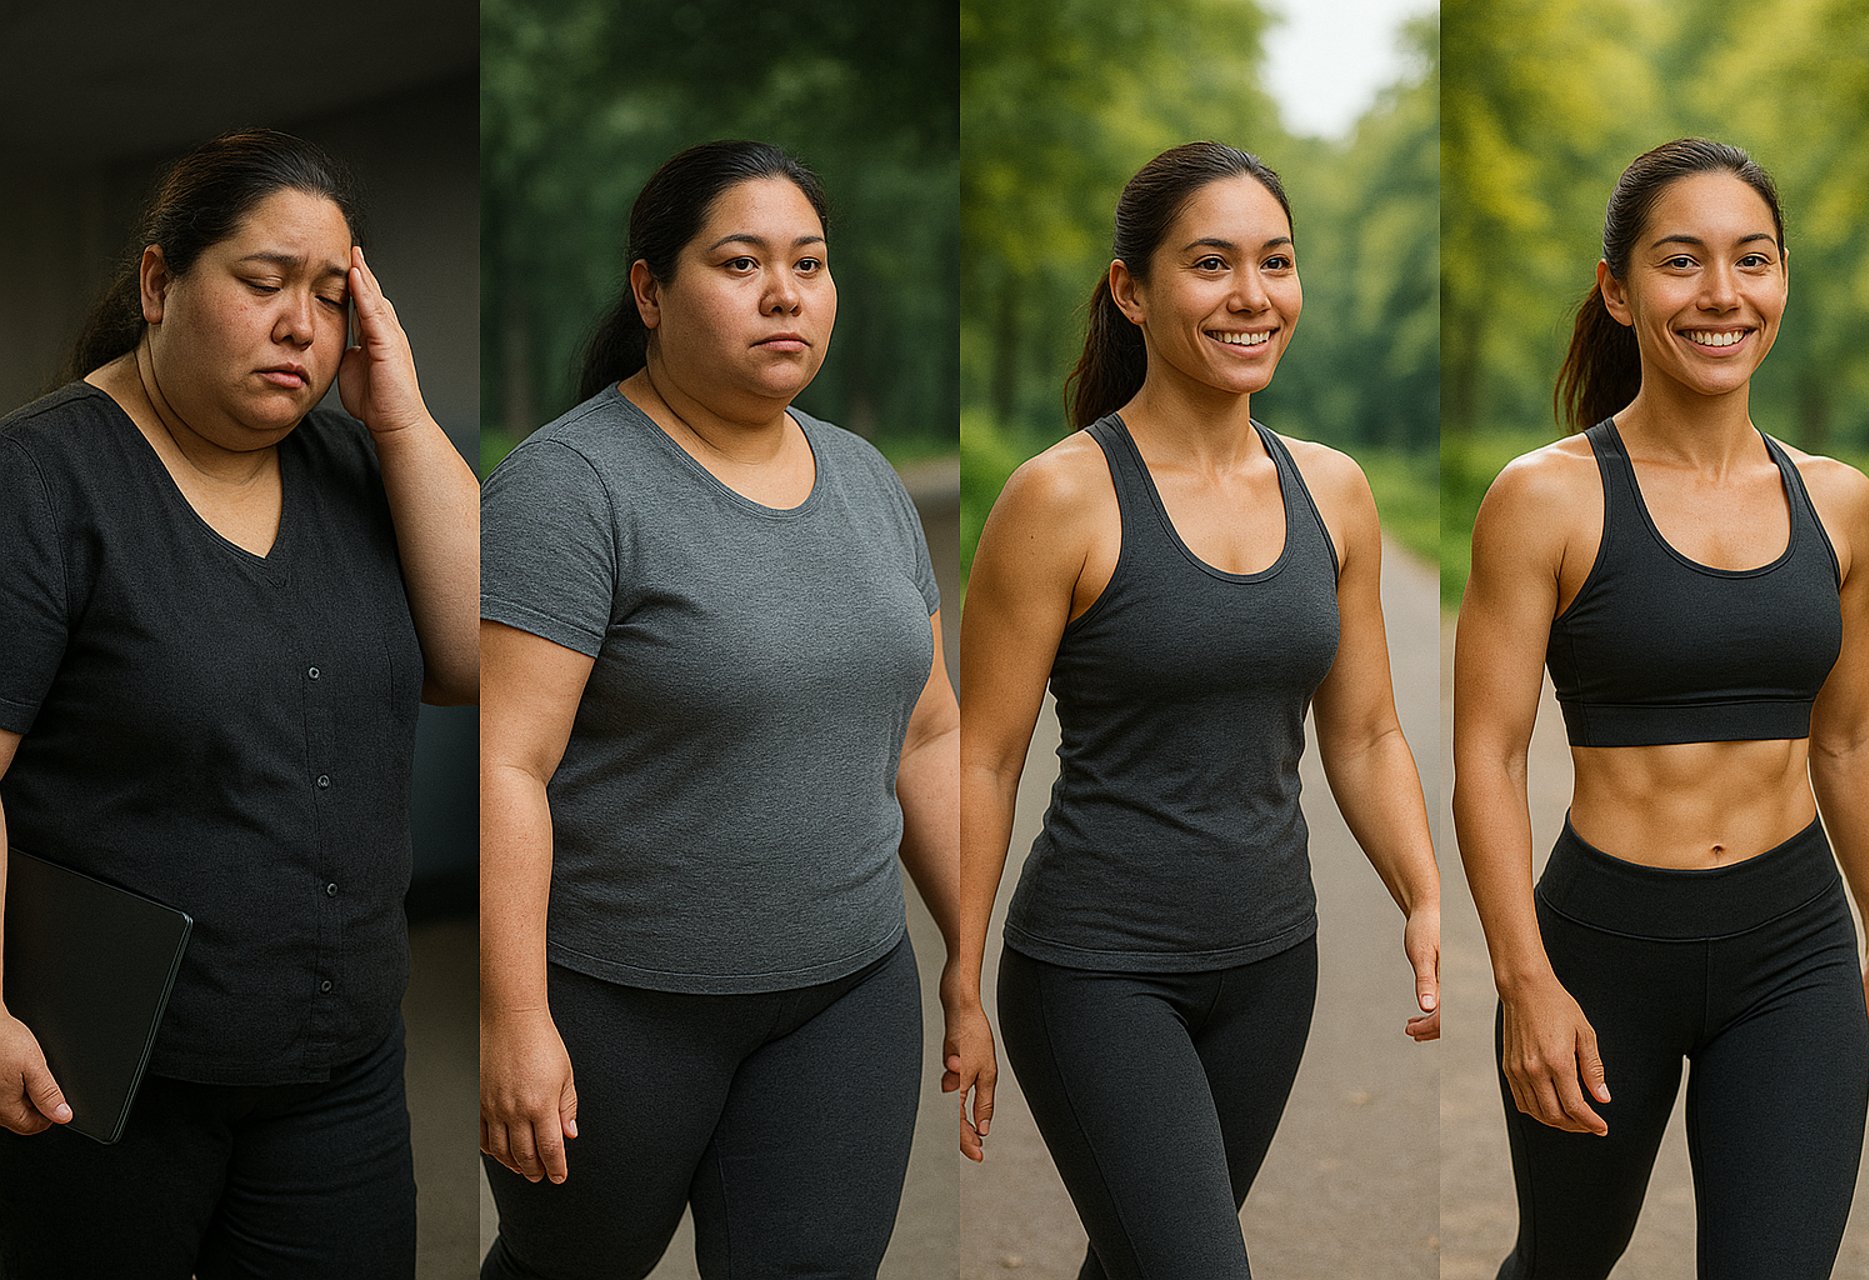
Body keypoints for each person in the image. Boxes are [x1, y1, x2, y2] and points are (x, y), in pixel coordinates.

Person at [952, 140, 1442, 1280]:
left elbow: (1366, 731)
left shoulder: (1334, 490)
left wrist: (1422, 894)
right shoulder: (1060, 496)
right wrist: (961, 974)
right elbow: (983, 756)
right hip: (1097, 971)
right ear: (1132, 290)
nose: (1252, 295)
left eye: (1276, 261)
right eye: (1212, 263)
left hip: (1273, 964)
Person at [478, 139, 962, 1279]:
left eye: (810, 263)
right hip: (619, 1009)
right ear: (650, 291)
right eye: (741, 263)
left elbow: (929, 731)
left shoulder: (866, 478)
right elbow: (507, 765)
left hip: (847, 995)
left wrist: (970, 946)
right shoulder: (570, 486)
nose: (785, 293)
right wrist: (515, 1019)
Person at [0, 128, 479, 1278]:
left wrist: (401, 419)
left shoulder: (353, 466)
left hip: (341, 1067)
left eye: (331, 296)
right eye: (264, 283)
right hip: (103, 1077)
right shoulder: (40, 480)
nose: (301, 325)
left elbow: (472, 659)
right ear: (158, 283)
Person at [1454, 137, 1869, 1279]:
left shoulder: (1840, 503)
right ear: (1618, 291)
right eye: (1680, 261)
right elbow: (1487, 755)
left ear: (1783, 278)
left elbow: (1850, 735)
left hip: (1794, 950)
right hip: (1601, 953)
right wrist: (1524, 980)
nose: (1722, 293)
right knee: (1563, 1259)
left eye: (1752, 259)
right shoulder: (1545, 498)